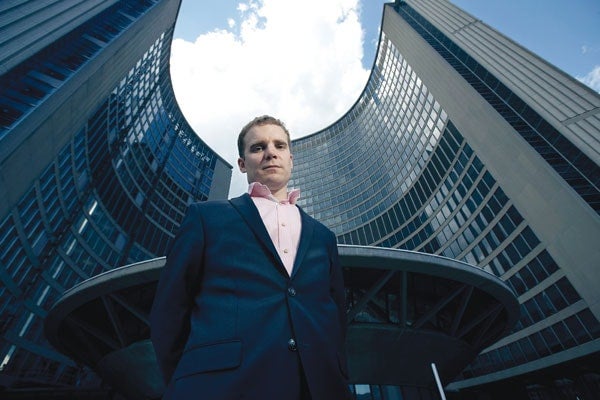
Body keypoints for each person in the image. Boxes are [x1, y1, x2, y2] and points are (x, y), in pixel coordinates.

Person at [150, 115, 351, 399]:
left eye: (279, 145)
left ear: (291, 159)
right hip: (219, 388)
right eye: (258, 147)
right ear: (243, 164)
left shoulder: (324, 236)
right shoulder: (206, 217)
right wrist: (190, 379)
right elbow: (169, 309)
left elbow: (336, 318)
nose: (270, 152)